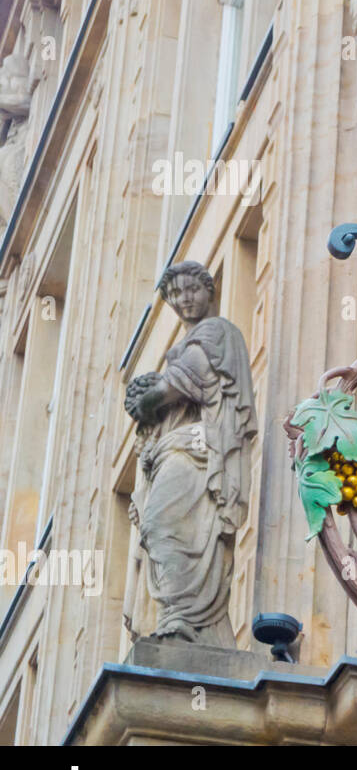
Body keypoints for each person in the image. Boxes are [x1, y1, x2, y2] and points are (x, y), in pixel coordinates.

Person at [123, 261, 256, 646]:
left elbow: (181, 384)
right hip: (172, 452)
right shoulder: (181, 350)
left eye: (191, 290)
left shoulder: (217, 332)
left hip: (198, 451)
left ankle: (184, 617)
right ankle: (185, 620)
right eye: (175, 294)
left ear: (208, 290)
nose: (184, 300)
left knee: (164, 526)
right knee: (159, 528)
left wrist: (146, 397)